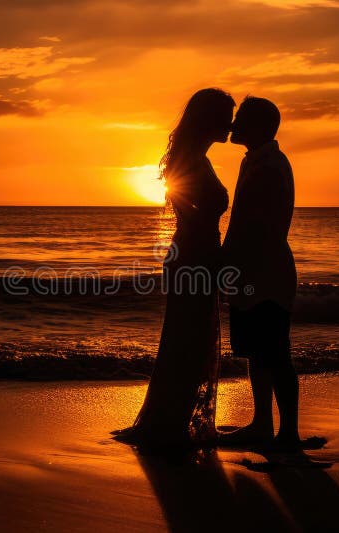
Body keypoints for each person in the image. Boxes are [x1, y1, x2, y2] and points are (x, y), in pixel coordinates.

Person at [112, 88, 234, 450]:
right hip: (194, 256)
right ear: (208, 119)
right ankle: (169, 424)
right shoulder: (191, 159)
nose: (229, 124)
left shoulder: (195, 157)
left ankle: (173, 420)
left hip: (197, 253)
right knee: (187, 340)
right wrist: (211, 252)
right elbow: (190, 212)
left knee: (190, 340)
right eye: (225, 116)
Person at [219, 96, 301, 450]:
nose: (233, 125)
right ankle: (263, 423)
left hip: (266, 271)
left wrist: (224, 263)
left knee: (275, 352)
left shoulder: (268, 166)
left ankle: (288, 433)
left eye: (241, 119)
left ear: (257, 126)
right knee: (258, 351)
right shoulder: (257, 161)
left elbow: (254, 226)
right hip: (255, 270)